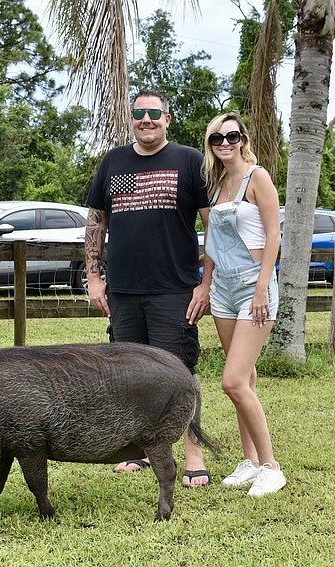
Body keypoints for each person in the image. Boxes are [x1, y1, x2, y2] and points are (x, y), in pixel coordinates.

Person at [84, 89, 213, 487]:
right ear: (132, 118)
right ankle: (137, 450)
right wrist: (94, 277)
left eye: (154, 113)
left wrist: (205, 284)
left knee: (179, 372)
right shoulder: (114, 162)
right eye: (139, 113)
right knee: (127, 374)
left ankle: (193, 453)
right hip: (123, 291)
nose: (146, 120)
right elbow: (96, 222)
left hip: (174, 289)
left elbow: (215, 229)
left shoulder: (189, 161)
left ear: (167, 119)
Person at [201, 112, 286, 496]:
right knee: (246, 379)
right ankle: (250, 462)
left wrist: (262, 287)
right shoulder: (217, 184)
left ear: (242, 139)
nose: (224, 143)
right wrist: (206, 285)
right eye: (216, 138)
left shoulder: (258, 177)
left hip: (254, 283)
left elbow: (273, 235)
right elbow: (211, 246)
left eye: (231, 136)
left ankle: (271, 467)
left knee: (232, 381)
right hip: (223, 288)